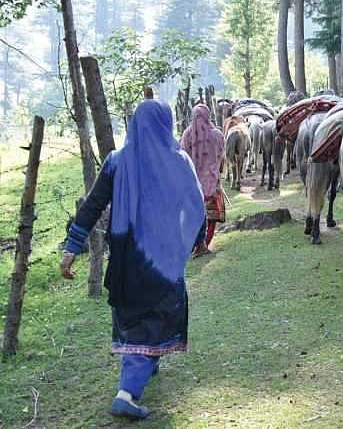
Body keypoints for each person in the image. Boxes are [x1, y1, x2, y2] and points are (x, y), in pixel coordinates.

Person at [60, 100, 206, 420]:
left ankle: (146, 364)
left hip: (126, 258)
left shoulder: (116, 161)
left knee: (134, 317)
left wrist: (72, 246)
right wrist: (194, 240)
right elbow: (196, 206)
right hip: (164, 260)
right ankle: (127, 393)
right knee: (155, 319)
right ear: (166, 125)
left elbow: (92, 206)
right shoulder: (179, 161)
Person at [180, 104, 226, 256]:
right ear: (208, 115)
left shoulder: (187, 135)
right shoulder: (217, 135)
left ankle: (195, 245)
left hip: (192, 185)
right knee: (210, 216)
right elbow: (221, 157)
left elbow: (182, 159)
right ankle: (204, 244)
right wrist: (217, 172)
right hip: (211, 184)